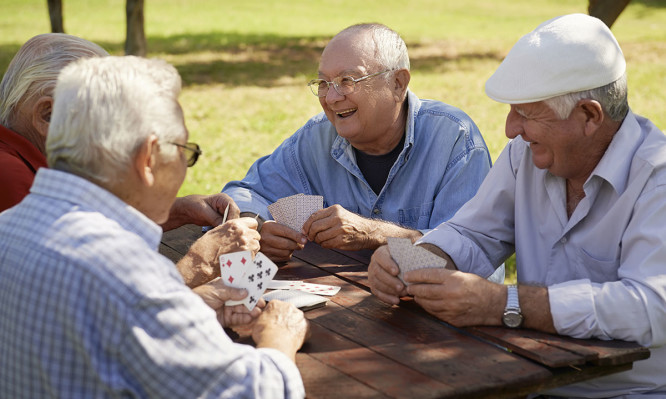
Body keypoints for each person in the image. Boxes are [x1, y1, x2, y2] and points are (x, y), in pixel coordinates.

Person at [368, 14, 665, 397]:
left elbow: (651, 307)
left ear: (589, 116)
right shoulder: (525, 154)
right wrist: (414, 260)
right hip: (530, 379)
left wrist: (505, 304)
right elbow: (472, 233)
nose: (510, 129)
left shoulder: (655, 177)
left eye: (525, 114)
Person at [0, 56, 308, 398]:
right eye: (184, 151)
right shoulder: (126, 269)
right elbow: (254, 392)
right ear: (148, 158)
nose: (185, 168)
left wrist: (187, 309)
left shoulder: (9, 226)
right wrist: (280, 334)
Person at [222, 23, 494, 265]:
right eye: (324, 83)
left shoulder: (455, 140)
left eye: (347, 81)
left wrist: (375, 234)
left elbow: (468, 258)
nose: (331, 98)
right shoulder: (317, 137)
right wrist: (257, 227)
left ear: (398, 83)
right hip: (340, 314)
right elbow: (243, 193)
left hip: (427, 316)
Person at [0, 33, 240, 235]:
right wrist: (201, 262)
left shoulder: (34, 161)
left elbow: (92, 225)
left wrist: (179, 210)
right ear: (47, 115)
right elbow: (87, 271)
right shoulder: (12, 177)